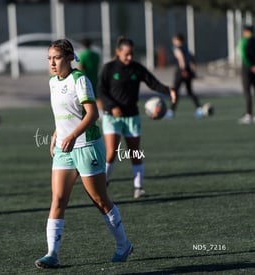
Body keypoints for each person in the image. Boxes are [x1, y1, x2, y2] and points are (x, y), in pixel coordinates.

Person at [34, 39, 132, 269]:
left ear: (69, 58)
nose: (52, 63)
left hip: (87, 146)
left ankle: (123, 245)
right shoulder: (52, 82)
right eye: (49, 59)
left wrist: (71, 136)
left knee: (99, 200)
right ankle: (52, 254)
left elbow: (92, 113)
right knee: (58, 199)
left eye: (56, 58)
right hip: (64, 150)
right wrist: (58, 134)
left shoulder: (79, 80)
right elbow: (65, 113)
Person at [97, 37, 176, 199]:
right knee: (111, 152)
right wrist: (112, 107)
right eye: (126, 54)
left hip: (132, 116)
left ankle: (138, 187)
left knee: (134, 153)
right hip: (112, 117)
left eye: (131, 54)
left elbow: (153, 83)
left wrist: (169, 90)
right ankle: (102, 183)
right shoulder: (109, 68)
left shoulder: (137, 68)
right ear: (118, 52)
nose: (129, 57)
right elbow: (101, 91)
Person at [165, 33, 202, 119]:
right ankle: (199, 108)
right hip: (188, 72)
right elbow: (192, 60)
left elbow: (181, 59)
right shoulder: (186, 49)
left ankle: (171, 111)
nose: (173, 41)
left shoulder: (177, 49)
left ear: (178, 40)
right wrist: (193, 72)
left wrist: (183, 70)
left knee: (175, 92)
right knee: (190, 91)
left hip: (181, 73)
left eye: (174, 39)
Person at [77, 38, 101, 110]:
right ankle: (100, 112)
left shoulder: (83, 55)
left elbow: (80, 67)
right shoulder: (96, 55)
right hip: (95, 78)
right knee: (97, 97)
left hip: (86, 79)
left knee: (86, 97)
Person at [238, 25, 255, 124]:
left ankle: (248, 114)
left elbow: (244, 55)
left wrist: (251, 66)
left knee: (247, 91)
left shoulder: (244, 41)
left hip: (247, 69)